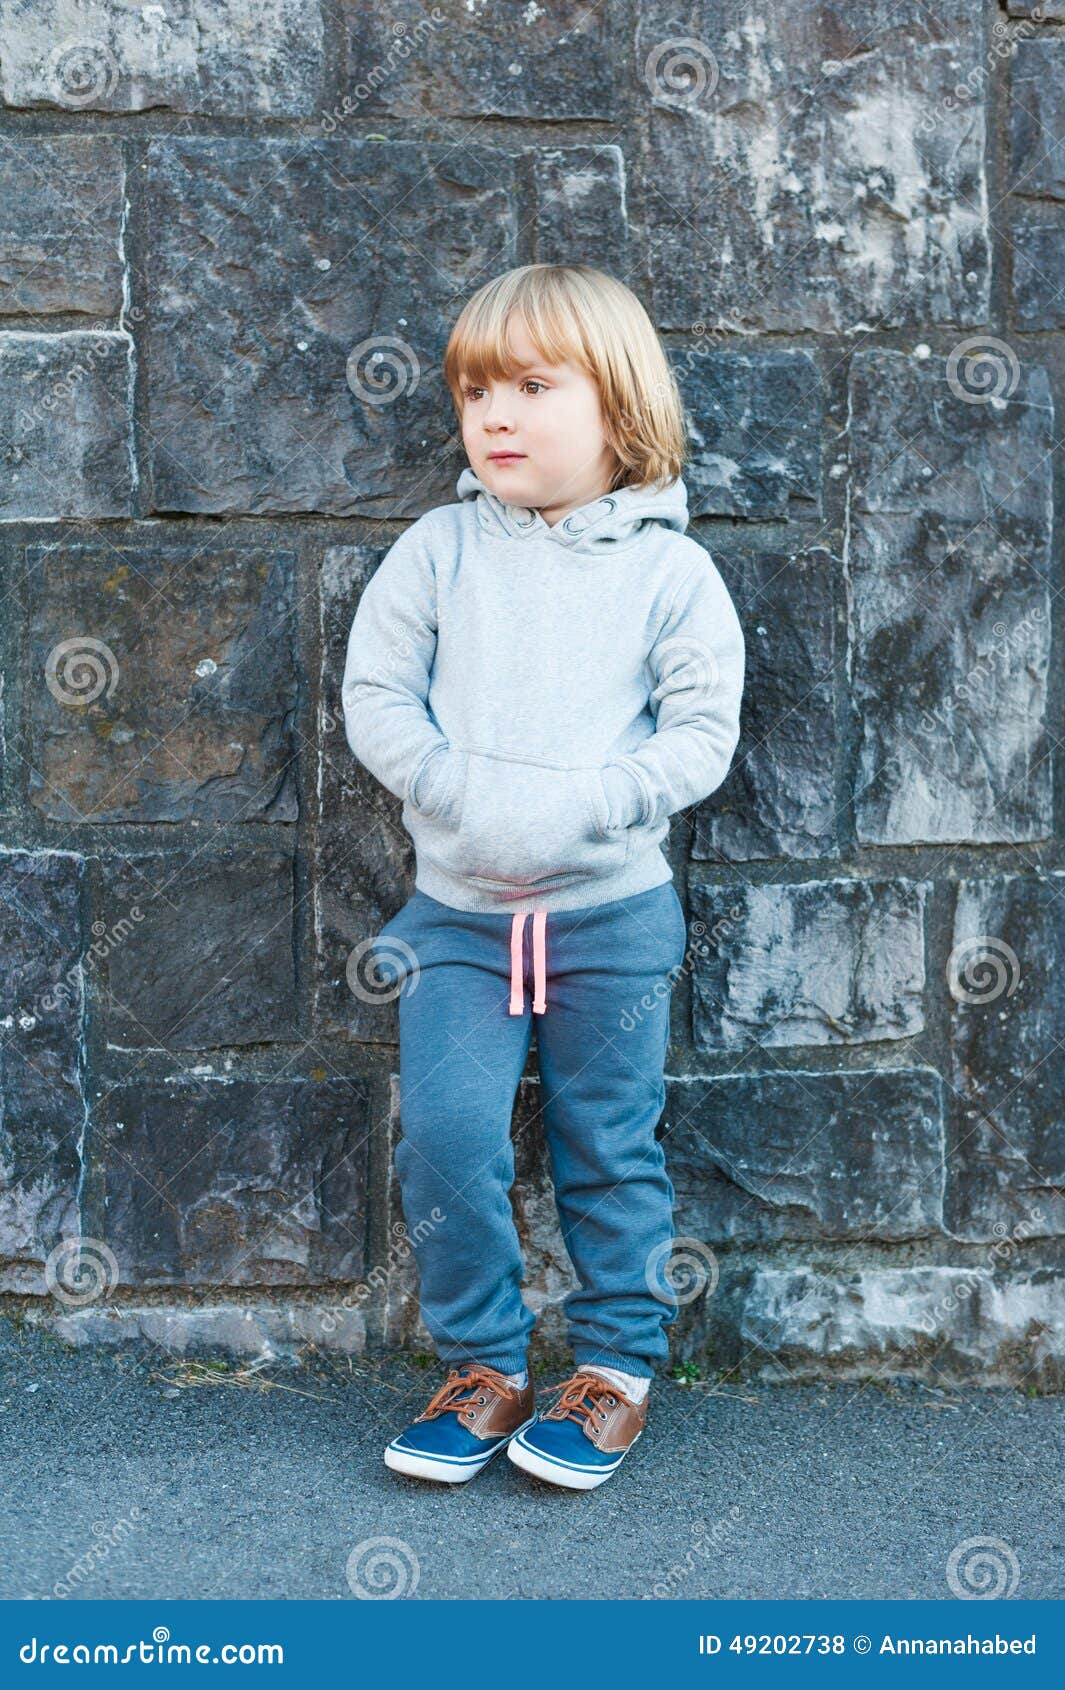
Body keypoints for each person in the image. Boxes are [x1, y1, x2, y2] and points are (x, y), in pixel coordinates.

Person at [341, 263, 745, 1491]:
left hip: (609, 919)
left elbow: (700, 733)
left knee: (607, 1141)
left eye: (529, 386)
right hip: (457, 922)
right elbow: (373, 697)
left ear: (618, 410)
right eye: (475, 391)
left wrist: (589, 800)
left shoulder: (671, 575)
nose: (495, 416)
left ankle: (615, 1368)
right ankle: (485, 1367)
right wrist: (460, 789)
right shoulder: (438, 551)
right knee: (451, 1140)